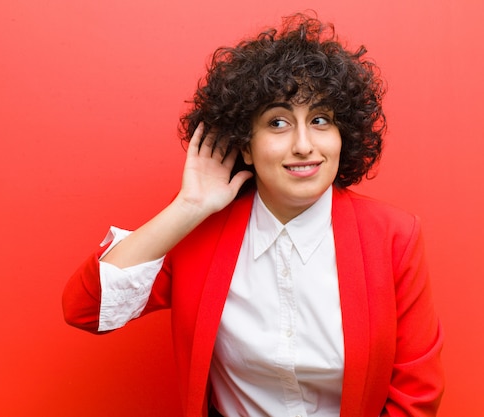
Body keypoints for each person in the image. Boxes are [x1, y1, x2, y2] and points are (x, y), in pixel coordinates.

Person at [62, 13, 444, 417]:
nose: (303, 145)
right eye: (277, 122)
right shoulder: (201, 235)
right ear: (245, 145)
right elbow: (87, 309)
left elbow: (416, 396)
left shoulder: (393, 236)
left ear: (341, 134)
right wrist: (188, 207)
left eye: (320, 120)